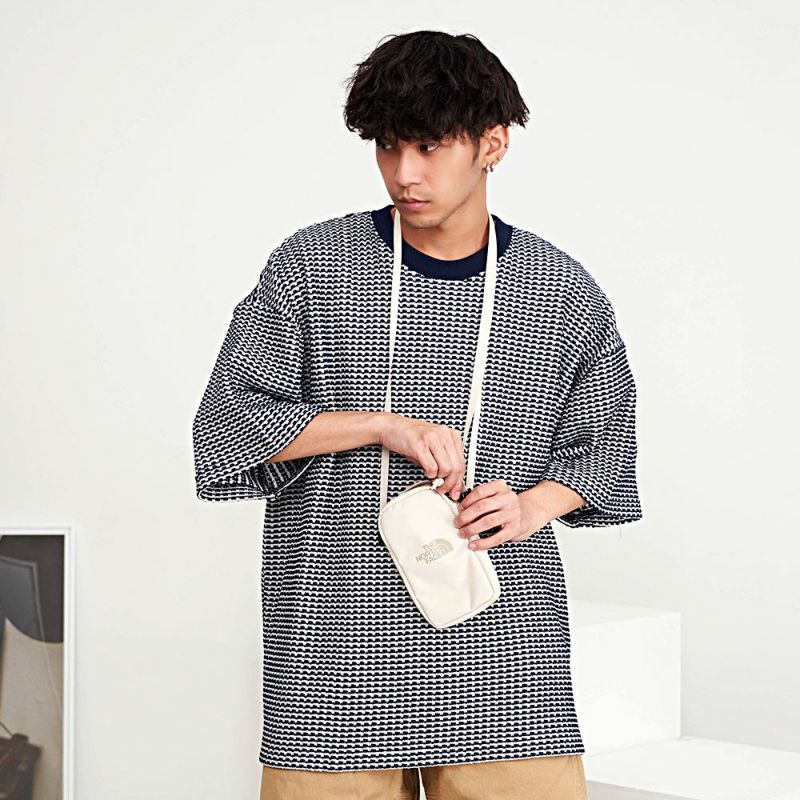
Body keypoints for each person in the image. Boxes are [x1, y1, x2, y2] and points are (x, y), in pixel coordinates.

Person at [192, 29, 643, 800]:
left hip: (505, 657)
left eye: (429, 146)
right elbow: (228, 422)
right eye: (388, 146)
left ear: (492, 143)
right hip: (333, 652)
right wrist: (380, 426)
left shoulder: (560, 289)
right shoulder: (312, 265)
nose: (405, 172)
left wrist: (533, 504)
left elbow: (605, 448)